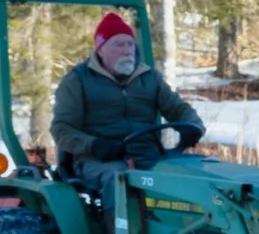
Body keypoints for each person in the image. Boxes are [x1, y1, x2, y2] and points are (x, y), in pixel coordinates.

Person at [49, 11, 204, 190]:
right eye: (118, 44)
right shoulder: (78, 80)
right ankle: (115, 218)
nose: (127, 50)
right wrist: (94, 145)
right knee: (120, 183)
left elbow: (177, 109)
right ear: (100, 50)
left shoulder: (149, 77)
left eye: (130, 44)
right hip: (99, 160)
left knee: (192, 176)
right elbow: (61, 130)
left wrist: (193, 125)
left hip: (148, 156)